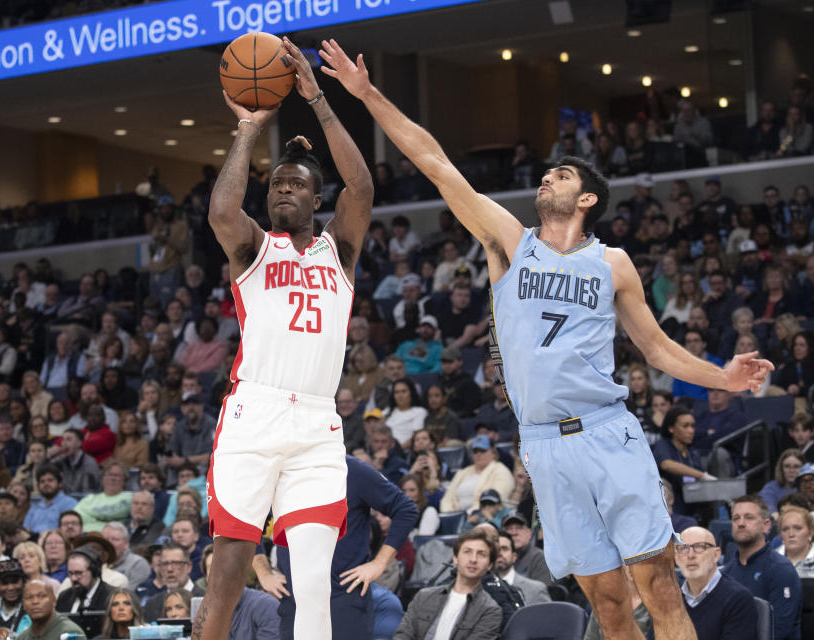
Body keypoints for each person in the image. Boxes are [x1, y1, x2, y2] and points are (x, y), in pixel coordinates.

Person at [322, 37, 773, 640]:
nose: (545, 177)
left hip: (608, 432)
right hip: (544, 446)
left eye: (560, 174)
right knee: (608, 605)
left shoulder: (613, 263)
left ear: (586, 198)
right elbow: (435, 162)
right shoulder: (512, 242)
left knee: (659, 588)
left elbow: (657, 349)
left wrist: (725, 377)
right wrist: (367, 95)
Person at [195, 37, 373, 640]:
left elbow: (363, 186)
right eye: (274, 186)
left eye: (295, 185)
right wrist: (248, 129)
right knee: (227, 579)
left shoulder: (338, 250)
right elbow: (222, 211)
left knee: (316, 585)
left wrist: (317, 98)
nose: (281, 191)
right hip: (255, 414)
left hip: (318, 425)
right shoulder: (252, 247)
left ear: (316, 200)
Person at [276, 455, 417, 640]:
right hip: (295, 602)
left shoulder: (352, 470)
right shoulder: (281, 472)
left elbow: (406, 509)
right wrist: (263, 571)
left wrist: (379, 563)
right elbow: (249, 522)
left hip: (343, 599)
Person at [393, 529, 503, 640]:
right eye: (467, 552)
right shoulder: (424, 596)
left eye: (481, 554)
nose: (473, 559)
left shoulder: (490, 610)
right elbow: (403, 636)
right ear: (455, 558)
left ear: (489, 565)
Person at [722, 495, 801, 640]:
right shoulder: (725, 573)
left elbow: (778, 631)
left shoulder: (781, 569)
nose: (741, 523)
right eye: (736, 518)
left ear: (766, 525)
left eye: (749, 517)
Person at [674, 526, 757, 640]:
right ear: (676, 558)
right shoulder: (670, 598)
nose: (690, 555)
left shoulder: (738, 599)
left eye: (699, 547)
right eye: (683, 548)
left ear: (716, 555)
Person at [440, 435, 514, 513]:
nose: (478, 454)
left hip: (484, 515)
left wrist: (472, 513)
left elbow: (495, 499)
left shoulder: (501, 471)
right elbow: (447, 498)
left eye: (482, 450)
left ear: (493, 453)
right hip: (458, 516)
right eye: (475, 451)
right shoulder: (462, 472)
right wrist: (449, 513)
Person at [143, 542, 206, 621]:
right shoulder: (152, 605)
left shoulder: (205, 599)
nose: (169, 569)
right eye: (165, 564)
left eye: (176, 563)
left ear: (189, 567)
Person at [16, 580, 86, 640]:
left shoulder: (70, 633)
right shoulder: (23, 637)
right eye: (29, 597)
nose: (35, 601)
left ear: (54, 601)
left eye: (42, 596)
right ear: (24, 605)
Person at [774, 505, 814, 581]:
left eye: (797, 528)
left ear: (810, 533)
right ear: (780, 534)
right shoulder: (767, 563)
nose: (791, 534)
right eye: (785, 529)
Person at [494, 532, 550, 605]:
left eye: (504, 549)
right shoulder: (481, 588)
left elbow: (549, 616)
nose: (500, 553)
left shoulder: (535, 590)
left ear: (514, 557)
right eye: (496, 550)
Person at [55, 546, 112, 613]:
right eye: (70, 573)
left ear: (94, 571)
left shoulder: (111, 597)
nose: (73, 578)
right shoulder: (64, 597)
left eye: (78, 573)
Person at [23, 466, 78, 534]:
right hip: (33, 542)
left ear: (60, 483)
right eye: (42, 481)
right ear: (38, 486)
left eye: (50, 480)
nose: (46, 484)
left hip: (56, 542)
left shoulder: (69, 503)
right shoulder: (34, 508)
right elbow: (25, 530)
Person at [500, 515, 552, 585]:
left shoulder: (540, 558)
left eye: (519, 528)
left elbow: (540, 592)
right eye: (508, 528)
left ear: (529, 534)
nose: (514, 533)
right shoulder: (497, 557)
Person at [0, 559, 30, 637]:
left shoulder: (32, 607)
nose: (10, 588)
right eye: (4, 583)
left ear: (23, 582)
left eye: (15, 582)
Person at [102, 522, 151, 587]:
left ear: (126, 543)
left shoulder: (138, 564)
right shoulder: (95, 562)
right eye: (105, 540)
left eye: (115, 539)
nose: (109, 544)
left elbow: (130, 594)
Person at [760, 449, 805, 513]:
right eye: (787, 466)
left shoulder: (807, 488)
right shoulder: (771, 488)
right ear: (781, 468)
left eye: (796, 467)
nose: (791, 471)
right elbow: (768, 512)